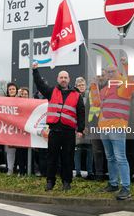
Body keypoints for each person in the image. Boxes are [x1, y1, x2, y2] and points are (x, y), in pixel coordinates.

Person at [32, 61, 85, 191]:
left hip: (69, 132)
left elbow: (81, 113)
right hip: (54, 131)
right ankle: (50, 182)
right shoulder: (51, 91)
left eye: (65, 77)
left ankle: (66, 182)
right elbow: (39, 84)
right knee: (52, 158)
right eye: (61, 77)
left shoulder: (77, 95)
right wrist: (35, 71)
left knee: (68, 158)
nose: (63, 79)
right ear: (57, 79)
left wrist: (80, 129)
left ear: (69, 79)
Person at [91, 58, 134, 200]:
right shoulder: (105, 88)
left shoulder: (123, 84)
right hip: (104, 128)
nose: (110, 74)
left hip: (116, 127)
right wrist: (94, 84)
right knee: (110, 157)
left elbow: (133, 81)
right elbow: (96, 102)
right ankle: (113, 183)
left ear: (118, 72)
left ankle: (126, 188)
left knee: (120, 157)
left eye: (113, 71)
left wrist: (126, 65)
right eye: (108, 72)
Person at [86, 69, 107, 182]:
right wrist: (86, 125)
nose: (101, 78)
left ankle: (110, 174)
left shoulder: (110, 89)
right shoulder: (91, 91)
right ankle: (99, 174)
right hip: (94, 124)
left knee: (108, 151)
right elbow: (87, 108)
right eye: (99, 76)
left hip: (107, 125)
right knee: (97, 151)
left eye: (103, 75)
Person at [74, 77, 94, 180]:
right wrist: (79, 128)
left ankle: (90, 172)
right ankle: (77, 172)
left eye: (82, 85)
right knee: (78, 150)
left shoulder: (91, 95)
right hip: (78, 127)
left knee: (90, 151)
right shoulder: (74, 96)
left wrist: (88, 126)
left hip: (89, 127)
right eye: (79, 85)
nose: (81, 87)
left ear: (85, 86)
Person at [33, 77, 49, 177]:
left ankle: (49, 171)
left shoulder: (50, 96)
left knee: (48, 152)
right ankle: (43, 171)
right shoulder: (34, 97)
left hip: (48, 127)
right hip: (36, 128)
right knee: (40, 153)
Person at [15, 86, 30, 177]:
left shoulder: (32, 103)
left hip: (29, 131)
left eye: (26, 94)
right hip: (20, 131)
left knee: (28, 153)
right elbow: (13, 104)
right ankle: (21, 171)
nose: (24, 96)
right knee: (20, 152)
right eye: (23, 94)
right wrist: (18, 95)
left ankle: (28, 171)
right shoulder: (18, 102)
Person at [5, 81, 18, 175]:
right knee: (9, 149)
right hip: (8, 128)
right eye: (10, 89)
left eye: (13, 89)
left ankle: (20, 168)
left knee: (20, 150)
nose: (11, 91)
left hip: (19, 128)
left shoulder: (21, 100)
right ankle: (10, 169)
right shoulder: (4, 101)